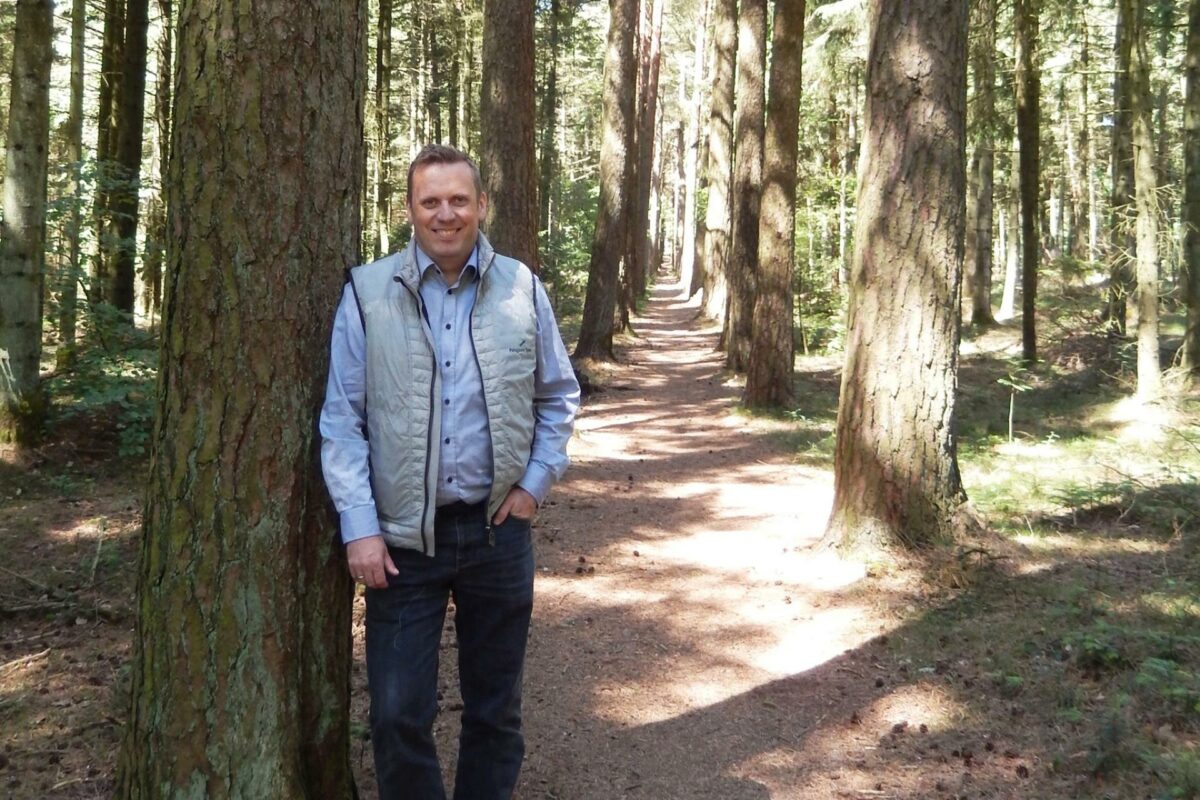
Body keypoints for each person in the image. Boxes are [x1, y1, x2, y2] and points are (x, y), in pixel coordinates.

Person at [320, 143, 580, 800]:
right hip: (403, 543)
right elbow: (341, 419)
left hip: (497, 534)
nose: (445, 214)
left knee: (496, 712)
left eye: (458, 200)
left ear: (481, 205)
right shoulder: (368, 293)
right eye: (430, 201)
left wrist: (532, 486)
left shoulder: (522, 288)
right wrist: (360, 527)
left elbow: (558, 394)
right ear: (410, 210)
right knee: (397, 714)